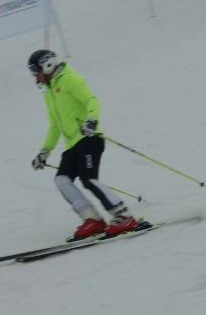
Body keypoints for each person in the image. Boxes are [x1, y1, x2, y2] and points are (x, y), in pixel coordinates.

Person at [28, 49, 138, 239]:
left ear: (47, 66)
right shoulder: (49, 94)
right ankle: (92, 219)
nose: (35, 77)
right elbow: (54, 127)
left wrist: (92, 120)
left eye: (35, 72)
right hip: (72, 146)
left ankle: (123, 216)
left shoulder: (70, 79)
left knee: (89, 179)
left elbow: (91, 100)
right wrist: (44, 152)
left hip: (89, 138)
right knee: (62, 180)